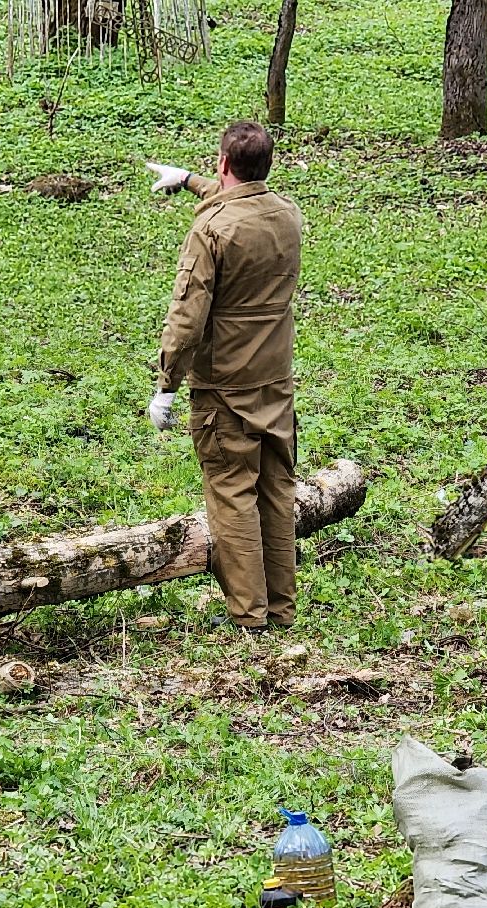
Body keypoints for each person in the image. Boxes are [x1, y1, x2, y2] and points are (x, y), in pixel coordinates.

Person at [145, 121, 303, 632]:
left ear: (224, 163)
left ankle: (250, 615)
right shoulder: (287, 216)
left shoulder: (210, 231)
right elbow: (241, 204)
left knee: (232, 491)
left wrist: (167, 384)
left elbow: (187, 317)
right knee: (277, 490)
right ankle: (280, 606)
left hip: (224, 387)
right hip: (274, 379)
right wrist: (189, 178)